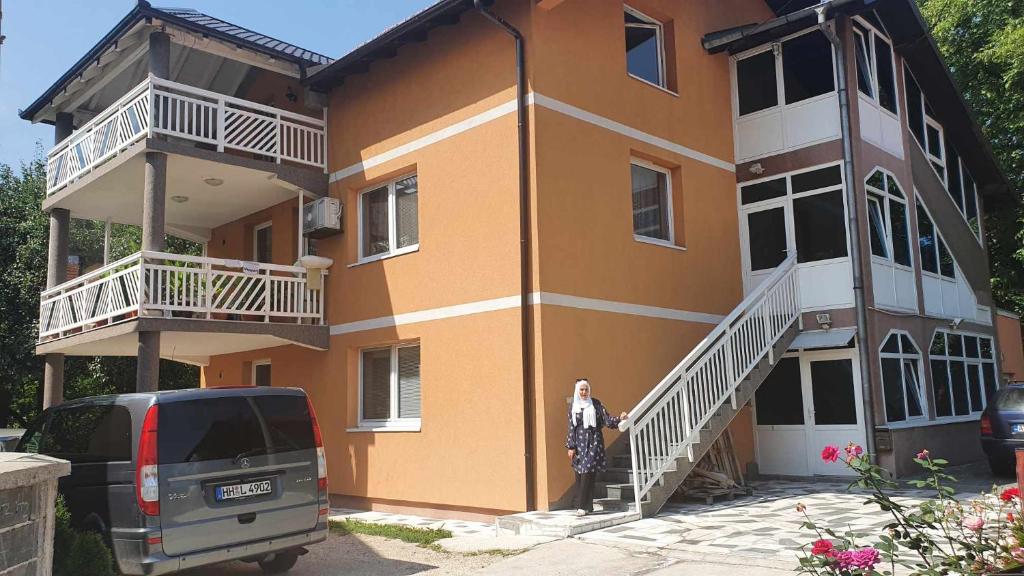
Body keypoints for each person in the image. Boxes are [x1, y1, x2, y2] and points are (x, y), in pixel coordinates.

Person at [565, 378, 628, 516]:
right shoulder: (573, 407)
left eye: (586, 389)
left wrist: (620, 418)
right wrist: (571, 446)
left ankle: (582, 506)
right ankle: (587, 506)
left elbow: (607, 420)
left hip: (594, 442)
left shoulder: (596, 404)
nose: (584, 392)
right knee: (580, 474)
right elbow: (571, 428)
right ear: (577, 390)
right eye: (581, 389)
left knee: (587, 471)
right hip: (579, 444)